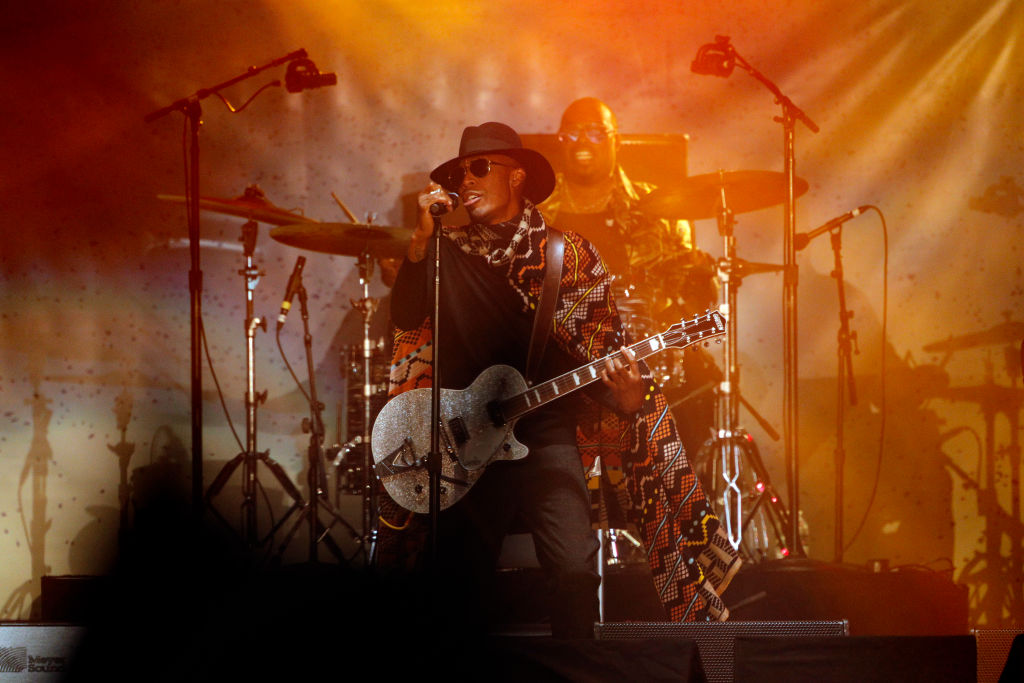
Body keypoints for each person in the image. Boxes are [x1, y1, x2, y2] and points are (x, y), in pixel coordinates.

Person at [383, 121, 739, 638]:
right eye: (459, 174)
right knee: (459, 582)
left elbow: (601, 349)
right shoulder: (445, 251)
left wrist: (629, 396)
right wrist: (421, 237)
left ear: (516, 176)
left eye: (479, 168)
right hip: (462, 441)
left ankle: (578, 666)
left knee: (575, 570)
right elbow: (405, 317)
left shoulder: (568, 255)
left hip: (543, 435)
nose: (466, 181)